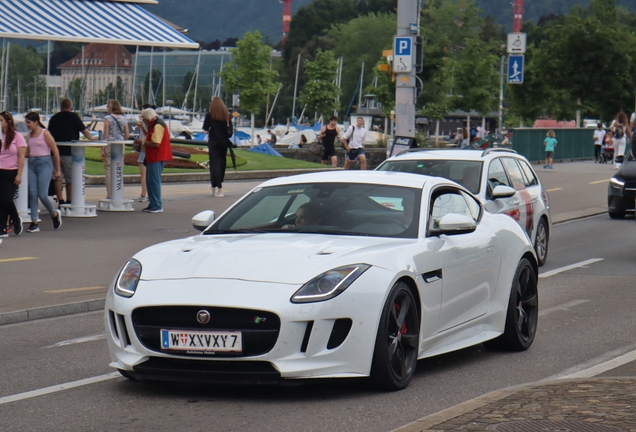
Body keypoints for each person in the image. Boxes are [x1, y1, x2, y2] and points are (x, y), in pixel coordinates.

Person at [47, 98, 96, 205]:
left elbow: (48, 134)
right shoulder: (74, 117)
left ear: (61, 106)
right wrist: (92, 139)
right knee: (70, 178)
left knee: (57, 177)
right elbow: (85, 131)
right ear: (71, 106)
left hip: (55, 151)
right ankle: (69, 200)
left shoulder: (54, 118)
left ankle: (60, 200)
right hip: (69, 151)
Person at [24, 112, 62, 233]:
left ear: (36, 122)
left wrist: (57, 170)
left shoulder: (45, 133)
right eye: (26, 122)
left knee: (42, 194)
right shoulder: (29, 135)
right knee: (33, 193)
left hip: (44, 162)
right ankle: (34, 221)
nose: (27, 125)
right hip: (32, 163)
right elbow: (29, 151)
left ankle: (54, 214)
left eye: (29, 122)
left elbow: (55, 151)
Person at [133, 108, 172, 213]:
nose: (144, 122)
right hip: (154, 156)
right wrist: (143, 129)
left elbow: (155, 143)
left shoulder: (157, 125)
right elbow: (151, 137)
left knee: (154, 181)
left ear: (148, 118)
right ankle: (153, 203)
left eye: (144, 120)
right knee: (151, 181)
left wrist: (141, 142)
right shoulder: (155, 124)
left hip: (156, 156)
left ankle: (157, 205)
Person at [0, 111, 26, 237]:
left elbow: (21, 156)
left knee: (6, 199)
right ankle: (2, 227)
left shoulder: (17, 136)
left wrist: (19, 174)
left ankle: (15, 219)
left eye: (1, 120)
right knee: (1, 200)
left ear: (8, 122)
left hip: (11, 171)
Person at [202, 96, 233, 197]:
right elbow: (230, 131)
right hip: (223, 142)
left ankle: (215, 187)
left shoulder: (209, 115)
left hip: (213, 142)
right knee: (221, 163)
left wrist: (211, 130)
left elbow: (205, 130)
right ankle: (218, 186)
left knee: (214, 164)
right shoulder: (226, 116)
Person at [101, 100, 129, 199]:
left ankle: (110, 194)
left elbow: (105, 135)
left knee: (109, 169)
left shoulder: (107, 118)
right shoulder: (123, 119)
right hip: (120, 145)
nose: (107, 108)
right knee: (119, 168)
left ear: (111, 107)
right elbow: (127, 135)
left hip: (110, 143)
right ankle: (118, 192)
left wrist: (102, 149)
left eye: (107, 106)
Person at [132, 103, 155, 202]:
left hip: (145, 147)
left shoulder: (148, 123)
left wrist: (142, 126)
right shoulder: (150, 123)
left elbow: (148, 136)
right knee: (147, 174)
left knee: (144, 174)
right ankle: (147, 195)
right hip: (145, 147)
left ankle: (143, 195)